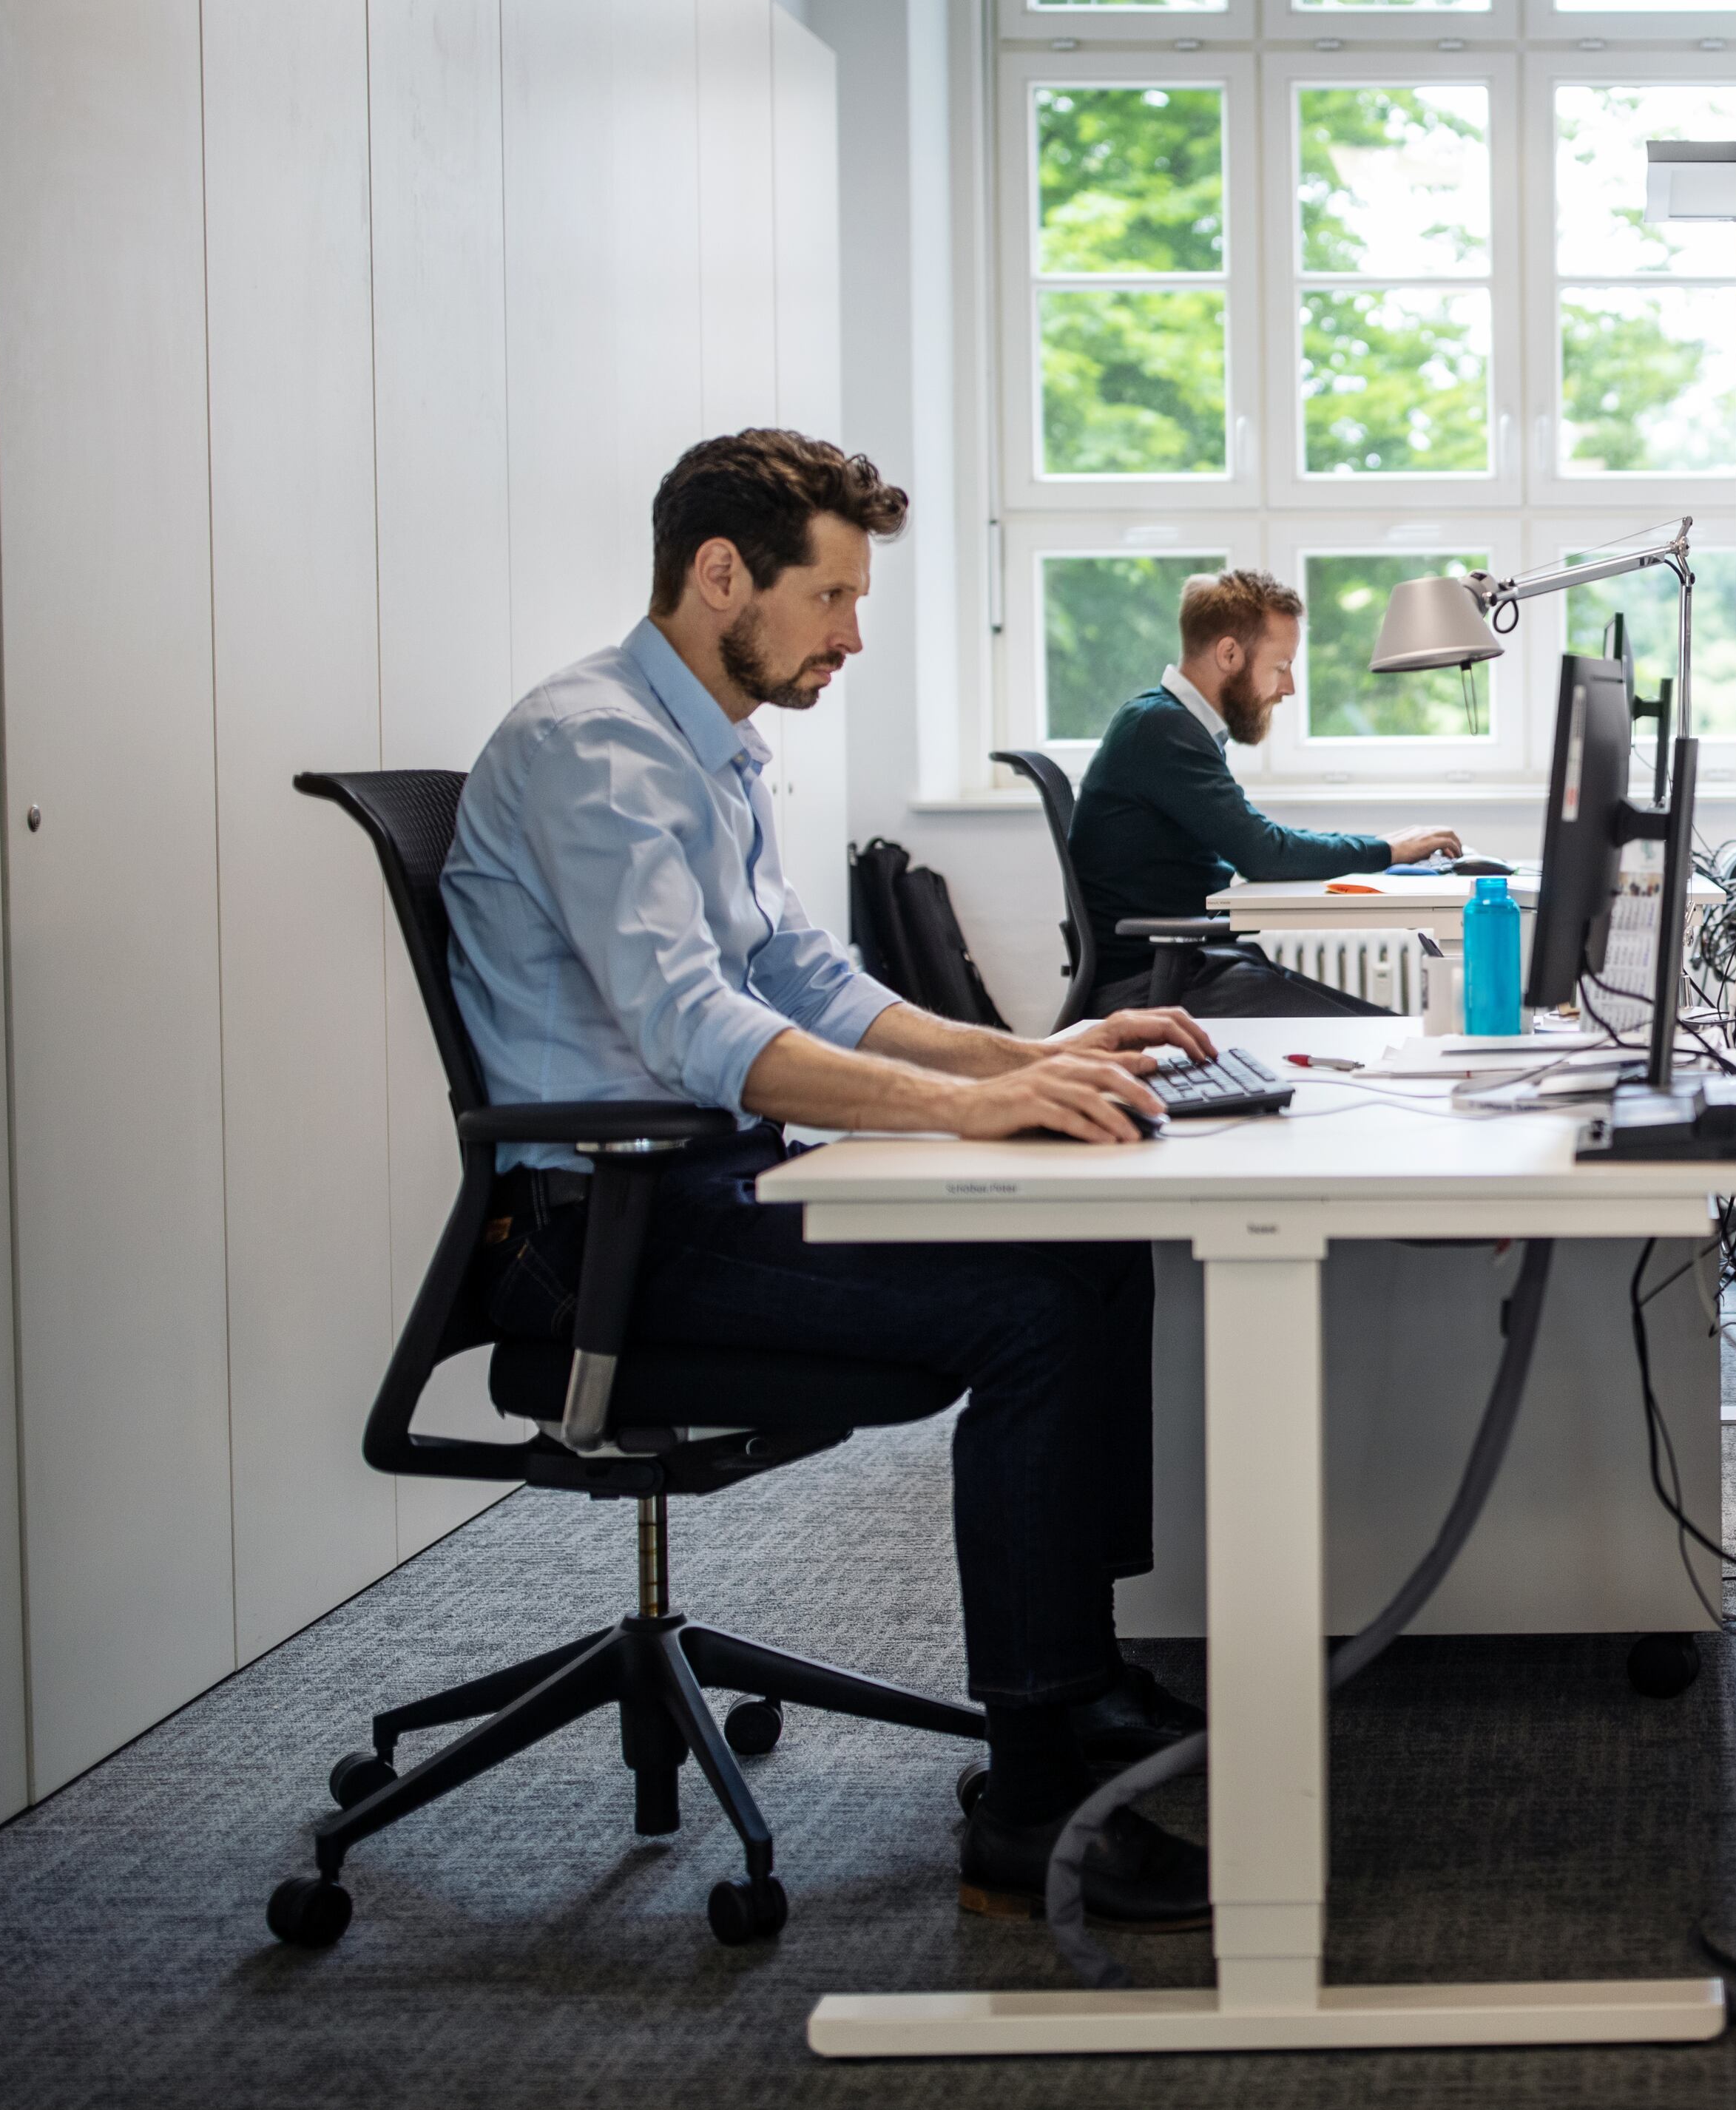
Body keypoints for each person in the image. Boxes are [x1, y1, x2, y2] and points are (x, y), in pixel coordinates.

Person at [447, 428, 1226, 1927]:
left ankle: (1077, 1674)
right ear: (719, 573)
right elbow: (699, 1025)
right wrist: (962, 1108)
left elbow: (808, 972)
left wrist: (1029, 1061)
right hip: (598, 1233)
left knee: (1090, 1247)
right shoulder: (592, 749)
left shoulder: (706, 744)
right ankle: (1033, 1801)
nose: (854, 634)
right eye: (834, 597)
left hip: (696, 1190)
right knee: (1031, 1314)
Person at [1069, 567, 1462, 1009]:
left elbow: (1260, 844)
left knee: (1382, 1025)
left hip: (1189, 965)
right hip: (1153, 985)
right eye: (1281, 666)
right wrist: (1386, 851)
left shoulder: (1173, 725)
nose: (1289, 688)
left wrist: (1377, 850)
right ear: (1229, 654)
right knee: (1383, 1038)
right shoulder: (1161, 729)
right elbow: (1264, 853)